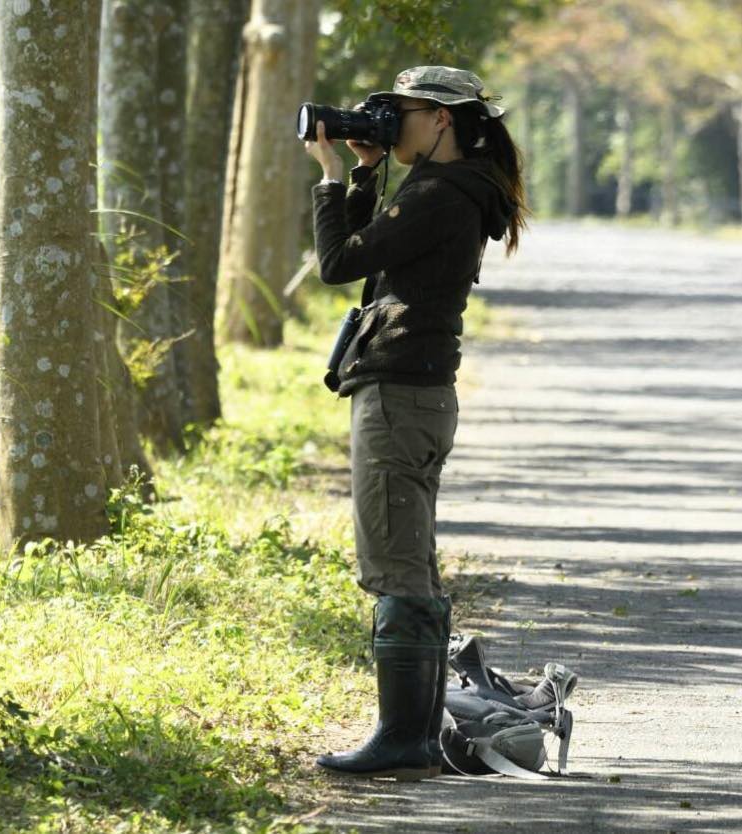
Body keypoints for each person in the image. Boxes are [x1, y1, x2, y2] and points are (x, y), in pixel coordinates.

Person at [304, 65, 528, 781]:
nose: (389, 123)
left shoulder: (440, 194)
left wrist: (329, 175)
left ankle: (404, 741)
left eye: (400, 113)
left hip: (401, 398)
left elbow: (338, 262)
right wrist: (366, 172)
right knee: (411, 564)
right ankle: (416, 735)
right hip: (414, 393)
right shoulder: (451, 190)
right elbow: (376, 256)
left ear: (442, 119)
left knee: (395, 567)